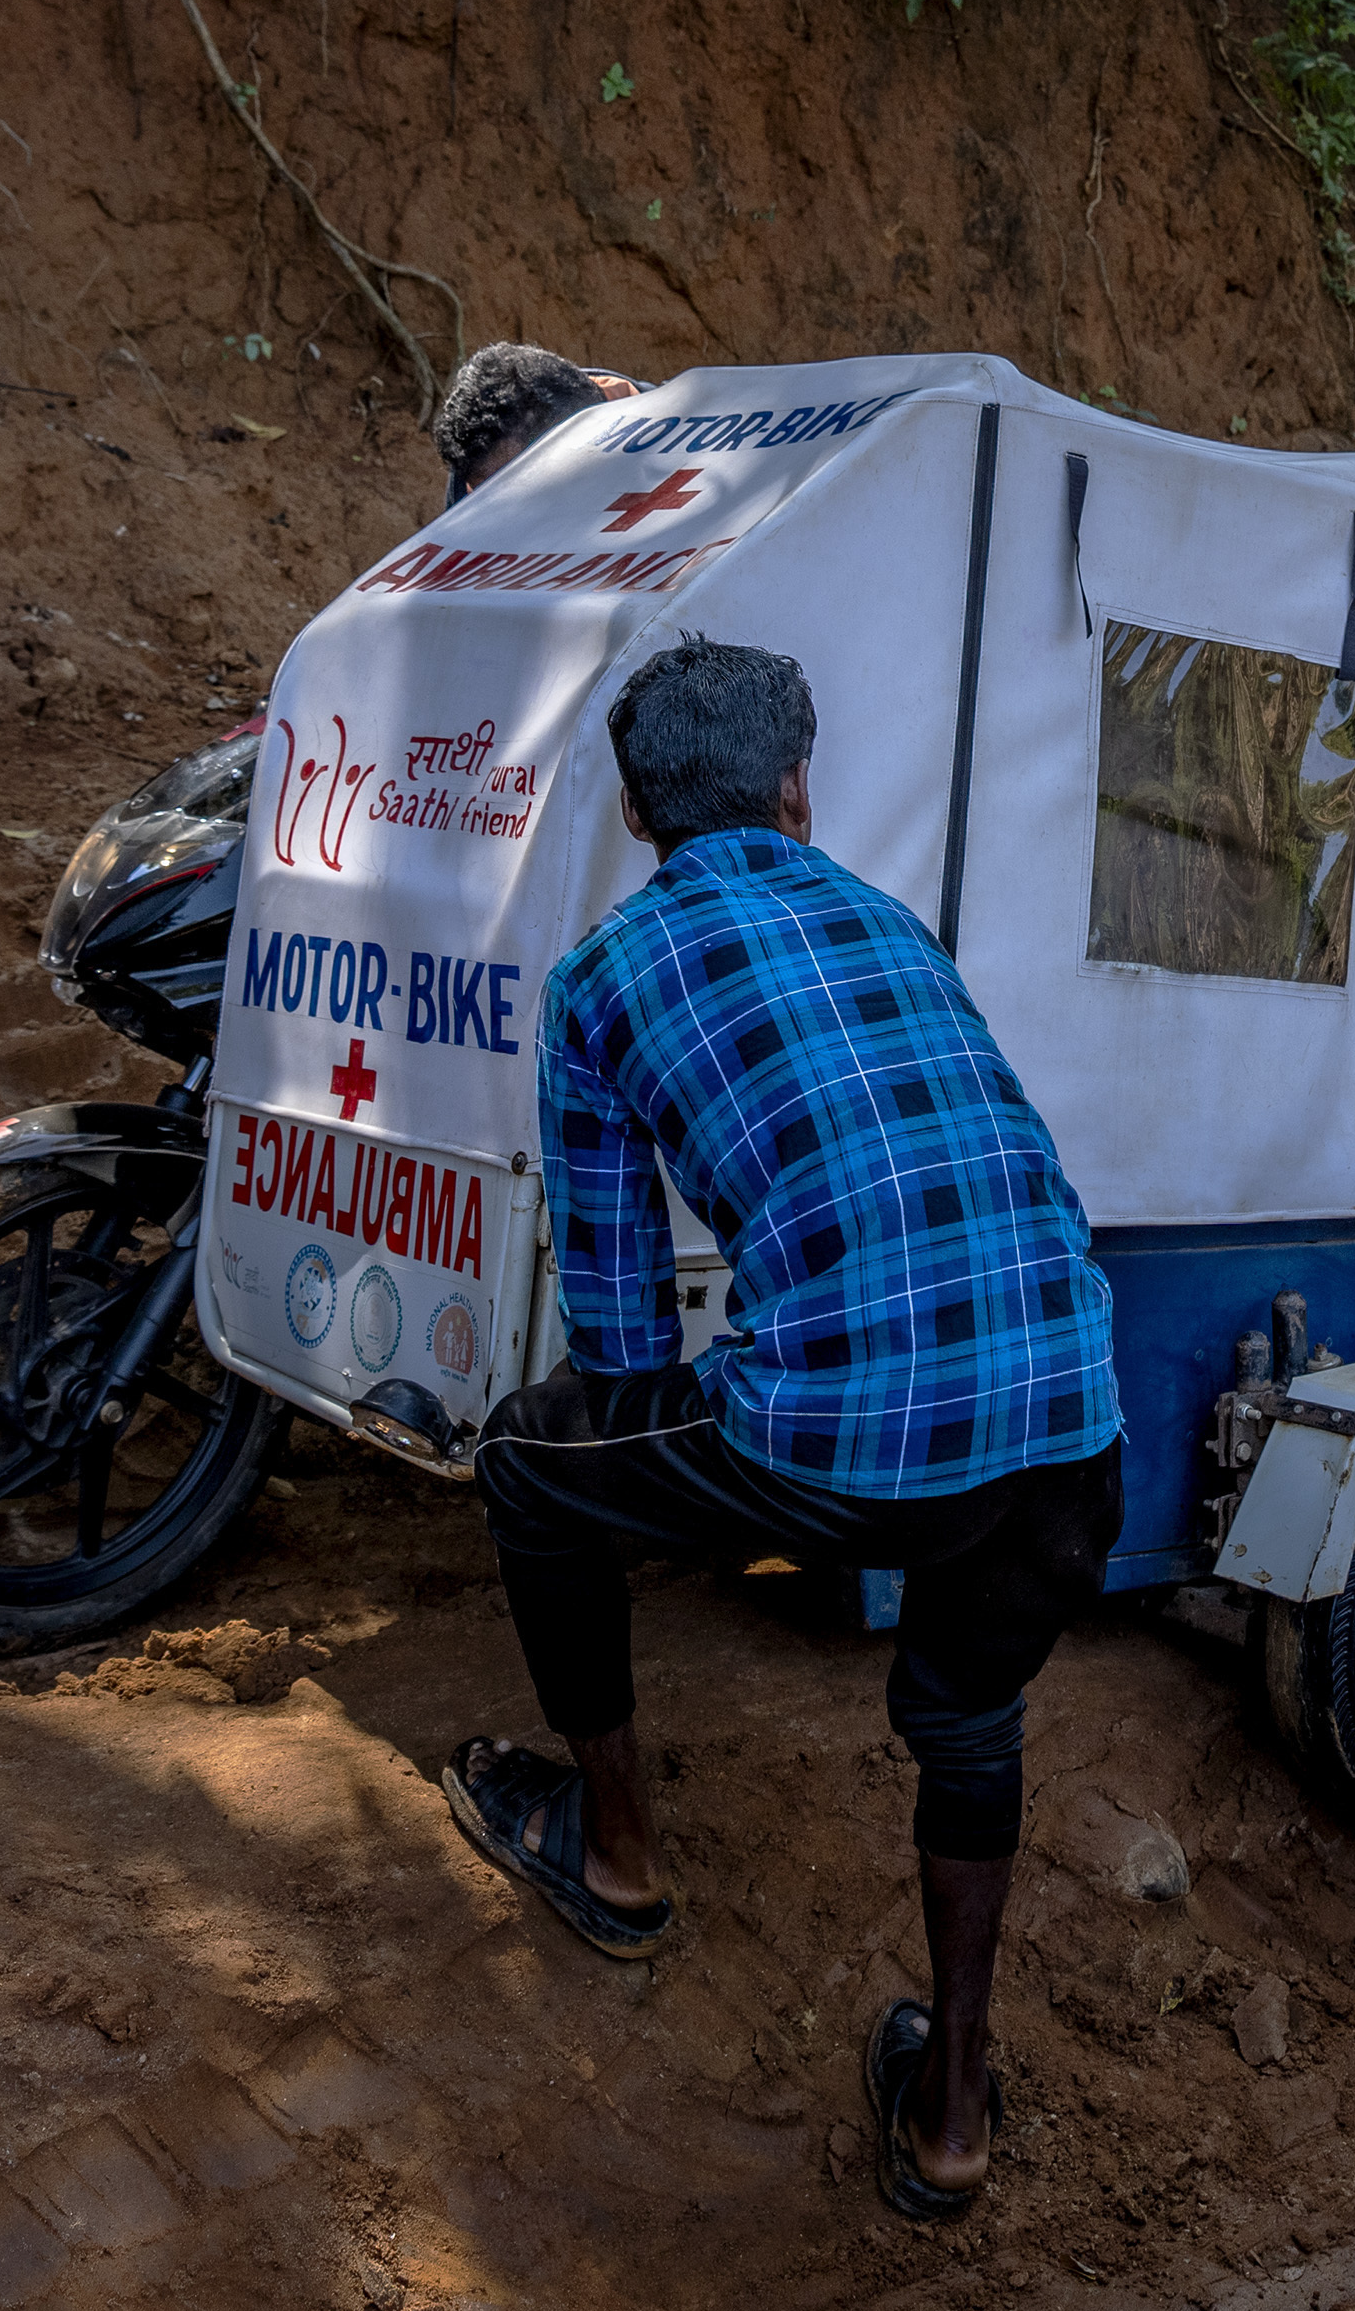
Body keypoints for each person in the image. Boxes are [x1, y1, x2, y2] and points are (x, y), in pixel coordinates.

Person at [446, 635, 1126, 2221]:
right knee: (966, 1716)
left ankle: (614, 1859)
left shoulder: (604, 976)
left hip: (851, 1445)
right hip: (1074, 1436)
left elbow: (617, 1325)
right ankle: (952, 2115)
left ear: (633, 811)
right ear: (798, 788)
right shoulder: (889, 920)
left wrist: (672, 1459)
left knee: (534, 1472)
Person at [431, 341, 633, 505]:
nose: (508, 510)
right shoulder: (472, 483)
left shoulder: (659, 447)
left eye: (520, 486)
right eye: (490, 496)